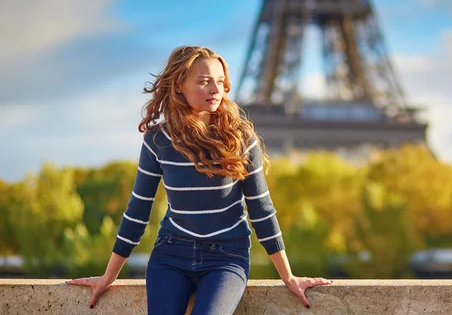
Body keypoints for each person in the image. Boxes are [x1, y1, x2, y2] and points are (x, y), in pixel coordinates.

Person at [67, 46, 333, 314]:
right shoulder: (158, 141)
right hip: (171, 254)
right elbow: (137, 212)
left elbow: (261, 211)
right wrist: (108, 276)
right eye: (204, 81)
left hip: (226, 258)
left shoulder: (239, 138)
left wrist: (288, 277)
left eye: (219, 81)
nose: (215, 89)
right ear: (179, 85)